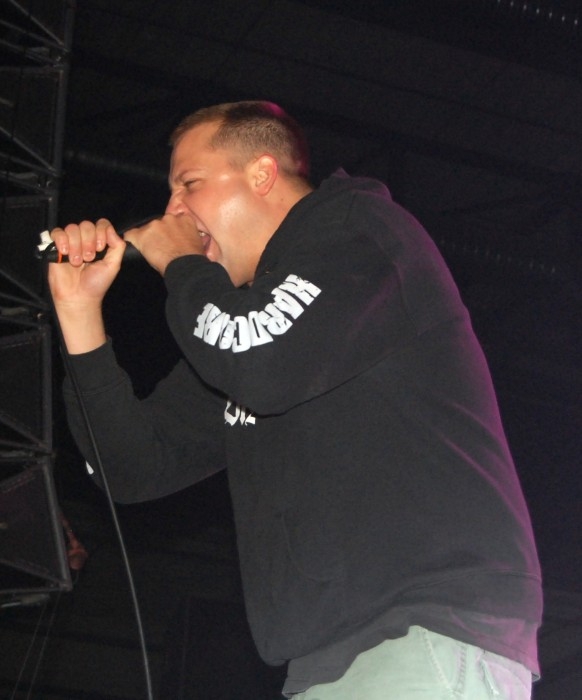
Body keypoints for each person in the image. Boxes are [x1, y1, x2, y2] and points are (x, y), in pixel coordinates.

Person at [47, 100, 542, 699]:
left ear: (262, 173)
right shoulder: (251, 332)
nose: (173, 209)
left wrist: (180, 262)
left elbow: (254, 357)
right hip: (322, 662)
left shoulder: (357, 230)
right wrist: (79, 313)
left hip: (426, 629)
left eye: (189, 184)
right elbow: (130, 466)